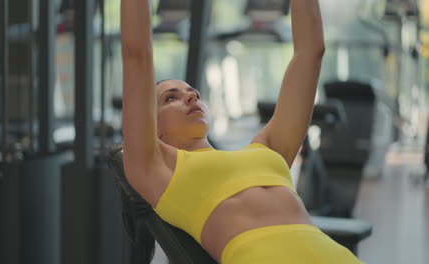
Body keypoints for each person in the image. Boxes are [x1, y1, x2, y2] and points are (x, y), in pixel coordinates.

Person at [119, 0, 363, 263]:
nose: (191, 98)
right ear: (151, 127)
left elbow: (311, 52)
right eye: (171, 98)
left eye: (194, 94)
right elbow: (137, 55)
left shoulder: (268, 149)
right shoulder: (155, 167)